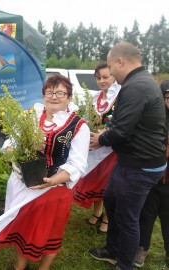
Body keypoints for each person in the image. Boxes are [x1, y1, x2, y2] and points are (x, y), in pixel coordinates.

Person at [0, 74, 90, 270]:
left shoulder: (78, 127)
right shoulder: (31, 115)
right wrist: (11, 151)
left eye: (60, 92)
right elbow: (12, 141)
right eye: (49, 92)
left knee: (50, 232)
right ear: (43, 95)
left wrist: (52, 180)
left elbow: (77, 165)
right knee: (22, 228)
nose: (54, 96)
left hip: (55, 190)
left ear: (69, 98)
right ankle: (20, 266)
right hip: (24, 183)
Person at [89, 41, 167, 270]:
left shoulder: (135, 87)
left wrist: (100, 139)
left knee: (127, 217)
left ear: (120, 61)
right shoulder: (142, 82)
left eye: (112, 69)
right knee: (111, 201)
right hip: (130, 162)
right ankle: (113, 249)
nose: (111, 74)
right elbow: (129, 125)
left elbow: (122, 132)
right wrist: (110, 132)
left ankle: (124, 264)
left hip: (139, 166)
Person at [73, 62, 120, 233]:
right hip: (94, 147)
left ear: (114, 76)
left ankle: (107, 218)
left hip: (110, 150)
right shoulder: (94, 97)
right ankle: (97, 211)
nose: (102, 81)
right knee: (95, 181)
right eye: (99, 78)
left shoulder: (120, 96)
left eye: (106, 77)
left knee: (108, 185)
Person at [134, 79, 169, 268]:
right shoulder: (155, 118)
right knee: (146, 215)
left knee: (167, 217)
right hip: (152, 177)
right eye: (167, 96)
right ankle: (142, 249)